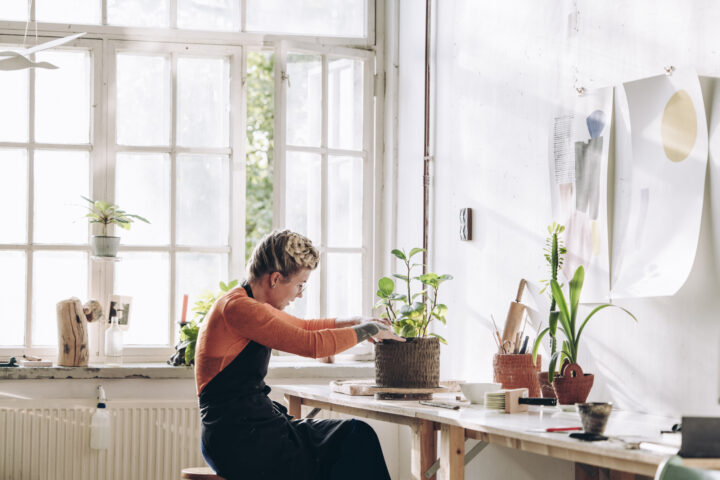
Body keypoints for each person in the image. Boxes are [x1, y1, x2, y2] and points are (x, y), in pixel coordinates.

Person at [195, 229, 404, 480]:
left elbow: (305, 327)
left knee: (352, 440)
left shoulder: (246, 302)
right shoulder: (239, 308)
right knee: (355, 437)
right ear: (274, 279)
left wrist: (358, 321)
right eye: (299, 285)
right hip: (239, 439)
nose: (300, 294)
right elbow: (311, 344)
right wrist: (368, 330)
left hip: (250, 431)